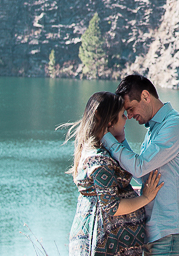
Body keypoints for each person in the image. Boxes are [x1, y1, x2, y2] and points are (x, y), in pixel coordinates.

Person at [101, 74, 179, 256]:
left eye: (130, 108)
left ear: (145, 96)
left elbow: (139, 167)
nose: (129, 116)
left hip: (170, 231)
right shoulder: (155, 129)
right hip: (156, 231)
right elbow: (142, 173)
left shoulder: (176, 126)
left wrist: (105, 136)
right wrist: (120, 140)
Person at [65, 91, 164, 256]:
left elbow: (109, 191)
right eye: (122, 115)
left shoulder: (100, 152)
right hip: (105, 246)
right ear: (109, 121)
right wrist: (146, 198)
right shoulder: (99, 160)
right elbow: (112, 207)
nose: (126, 118)